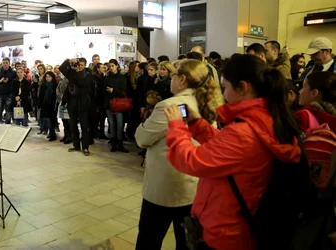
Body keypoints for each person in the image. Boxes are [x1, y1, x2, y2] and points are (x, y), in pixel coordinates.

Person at [163, 54, 301, 250]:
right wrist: (197, 125)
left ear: (243, 88)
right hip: (241, 222)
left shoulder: (244, 132)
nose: (222, 92)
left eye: (225, 86)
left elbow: (191, 161)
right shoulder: (265, 118)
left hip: (226, 230)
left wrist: (177, 127)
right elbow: (225, 148)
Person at [135, 59, 224, 250]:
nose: (171, 78)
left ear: (182, 80)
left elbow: (142, 139)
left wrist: (143, 125)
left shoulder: (170, 105)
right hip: (195, 187)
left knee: (149, 239)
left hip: (166, 187)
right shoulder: (208, 102)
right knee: (185, 242)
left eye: (174, 74)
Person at [60, 58, 93, 156]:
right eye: (78, 65)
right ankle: (76, 145)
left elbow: (83, 84)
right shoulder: (71, 73)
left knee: (84, 126)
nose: (79, 66)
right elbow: (62, 68)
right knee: (73, 125)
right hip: (72, 103)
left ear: (85, 65)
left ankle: (85, 147)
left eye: (81, 65)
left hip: (83, 104)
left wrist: (77, 73)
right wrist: (69, 60)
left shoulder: (88, 74)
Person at [105, 59, 129, 153]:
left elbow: (124, 91)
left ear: (117, 66)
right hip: (109, 103)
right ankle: (114, 143)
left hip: (119, 104)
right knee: (112, 124)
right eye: (110, 66)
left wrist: (113, 90)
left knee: (120, 124)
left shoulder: (122, 78)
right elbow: (104, 89)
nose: (111, 68)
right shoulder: (107, 78)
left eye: (113, 66)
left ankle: (120, 143)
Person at [0, 57, 16, 124]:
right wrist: (0, 81)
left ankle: (7, 125)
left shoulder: (13, 72)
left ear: (9, 63)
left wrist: (9, 80)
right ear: (2, 63)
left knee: (8, 110)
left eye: (6, 63)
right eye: (4, 63)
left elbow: (15, 82)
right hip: (0, 93)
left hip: (9, 93)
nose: (5, 64)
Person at [39, 72, 59, 141]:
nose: (48, 78)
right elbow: (41, 95)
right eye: (46, 76)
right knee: (47, 119)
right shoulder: (43, 85)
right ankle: (50, 133)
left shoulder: (55, 85)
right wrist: (40, 104)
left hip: (52, 105)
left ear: (52, 77)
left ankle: (52, 134)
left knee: (52, 120)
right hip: (45, 105)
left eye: (49, 76)